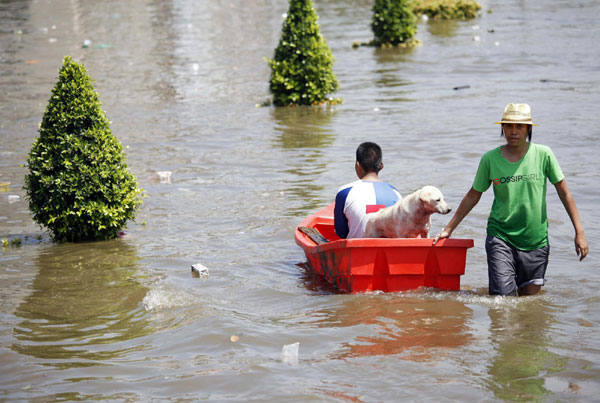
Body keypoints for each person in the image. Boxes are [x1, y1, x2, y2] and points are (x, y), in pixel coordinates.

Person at [433, 103, 588, 296]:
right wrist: (448, 229)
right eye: (508, 126)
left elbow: (565, 192)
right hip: (501, 236)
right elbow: (474, 195)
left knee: (528, 305)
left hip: (536, 240)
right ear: (503, 128)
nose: (513, 131)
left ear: (528, 129)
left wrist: (579, 232)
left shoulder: (544, 154)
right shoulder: (490, 159)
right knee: (502, 301)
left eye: (519, 126)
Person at [334, 142, 401, 239]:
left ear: (358, 165)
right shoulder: (396, 193)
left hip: (357, 251)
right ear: (381, 166)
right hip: (388, 251)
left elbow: (341, 233)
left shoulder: (345, 192)